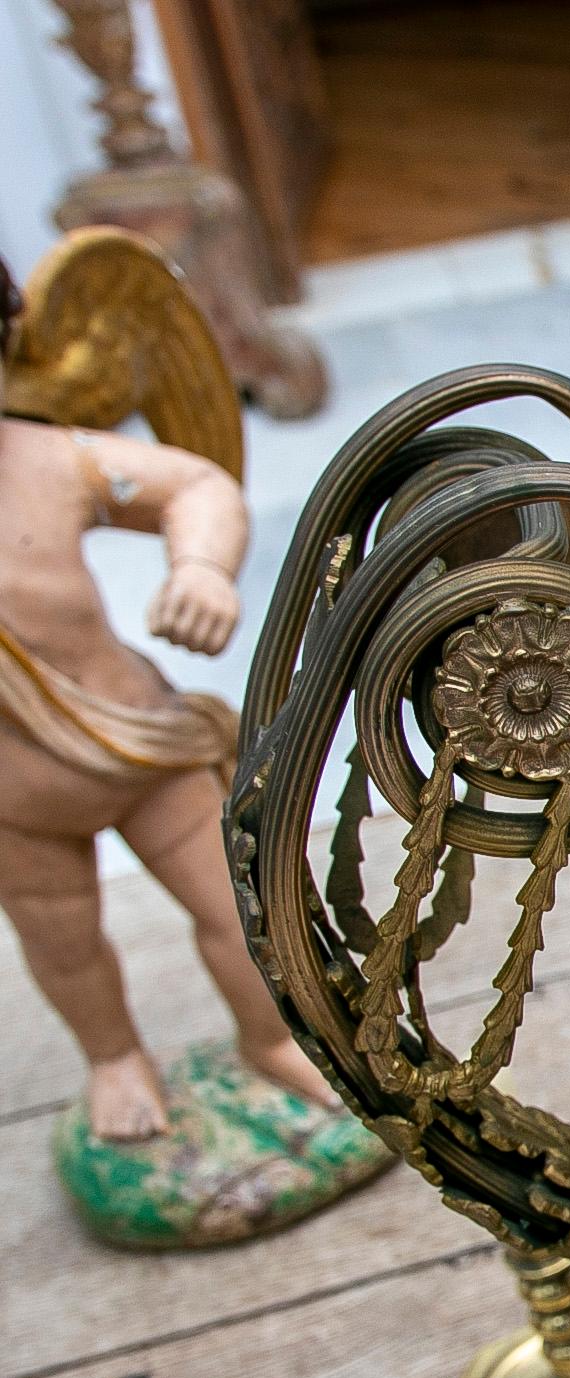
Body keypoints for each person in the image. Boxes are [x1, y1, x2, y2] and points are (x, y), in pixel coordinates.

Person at [0, 250, 342, 1141]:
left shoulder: (45, 459)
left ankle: (271, 1039)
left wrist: (199, 566)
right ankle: (114, 1058)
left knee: (236, 907)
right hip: (16, 809)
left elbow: (196, 483)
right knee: (62, 943)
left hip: (138, 749)